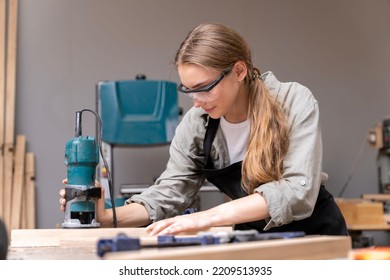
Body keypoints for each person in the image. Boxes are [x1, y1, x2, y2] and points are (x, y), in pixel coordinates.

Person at [59, 23, 348, 237]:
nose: (196, 101)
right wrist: (106, 217)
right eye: (188, 90)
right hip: (257, 240)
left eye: (204, 88)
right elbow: (170, 193)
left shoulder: (293, 101)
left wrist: (208, 218)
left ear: (239, 71)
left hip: (317, 237)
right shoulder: (198, 124)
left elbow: (297, 191)